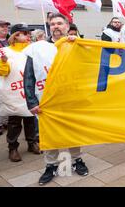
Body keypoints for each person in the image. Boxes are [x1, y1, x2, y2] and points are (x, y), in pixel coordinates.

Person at [23, 13, 89, 185]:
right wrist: (31, 102)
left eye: (59, 23)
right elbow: (29, 76)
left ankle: (77, 160)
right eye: (52, 24)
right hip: (47, 100)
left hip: (71, 98)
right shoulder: (37, 48)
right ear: (49, 27)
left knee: (73, 131)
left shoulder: (77, 46)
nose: (56, 26)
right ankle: (50, 165)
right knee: (49, 134)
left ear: (67, 26)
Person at [0, 24, 40, 162]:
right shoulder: (4, 52)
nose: (28, 35)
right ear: (15, 36)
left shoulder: (33, 50)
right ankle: (12, 148)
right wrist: (2, 63)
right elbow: (0, 71)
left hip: (30, 93)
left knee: (31, 120)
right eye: (24, 33)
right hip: (14, 94)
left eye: (28, 33)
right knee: (14, 123)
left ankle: (32, 143)